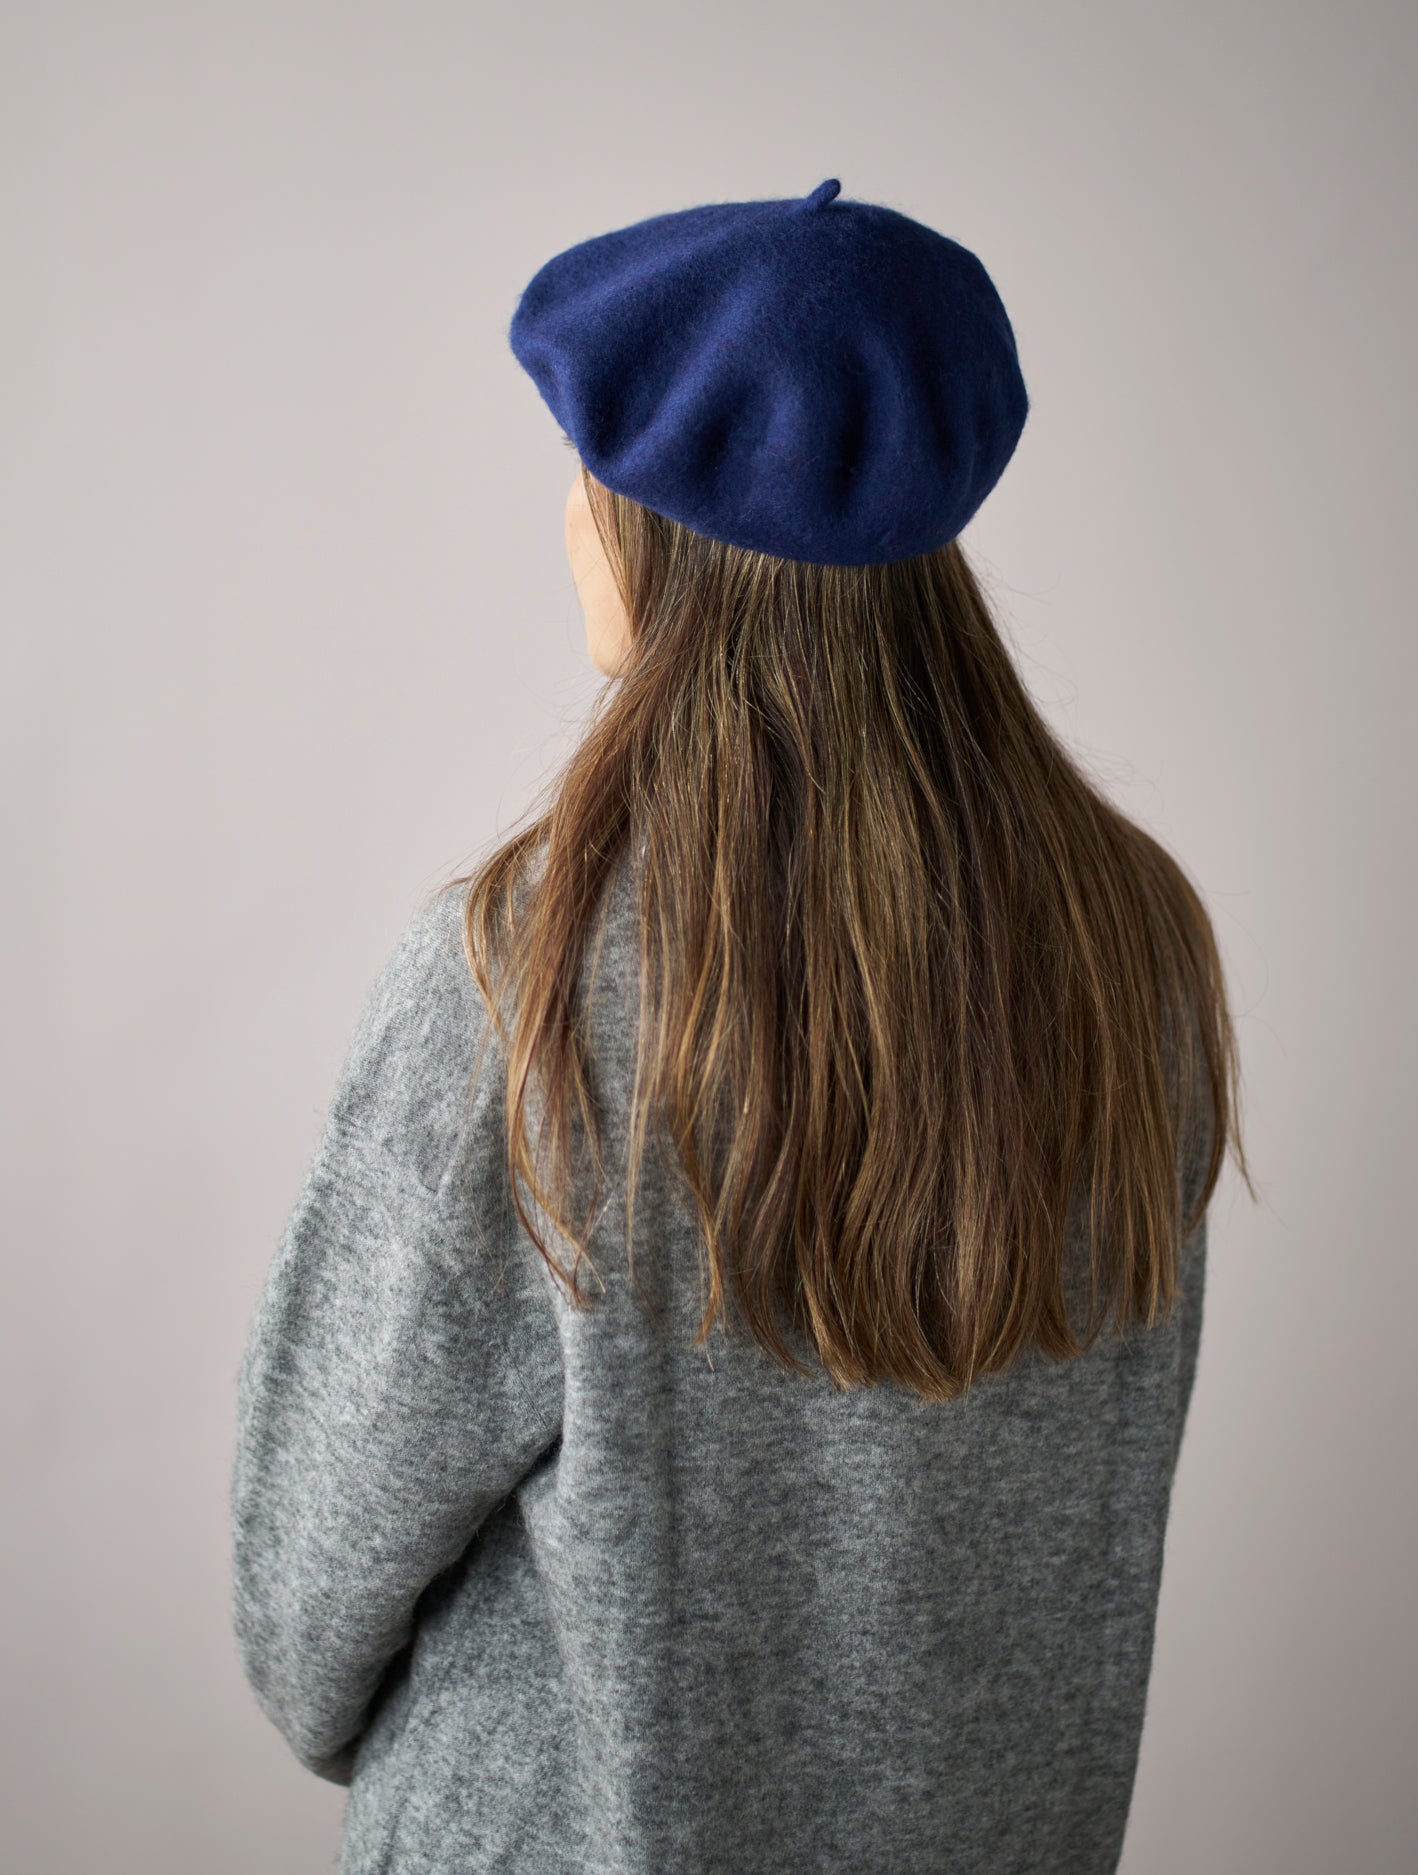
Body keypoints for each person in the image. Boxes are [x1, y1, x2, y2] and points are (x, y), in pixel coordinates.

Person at [231, 178, 1253, 1875]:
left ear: (653, 529)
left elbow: (305, 1594)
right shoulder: (1133, 951)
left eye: (588, 479)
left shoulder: (521, 983)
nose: (568, 520)